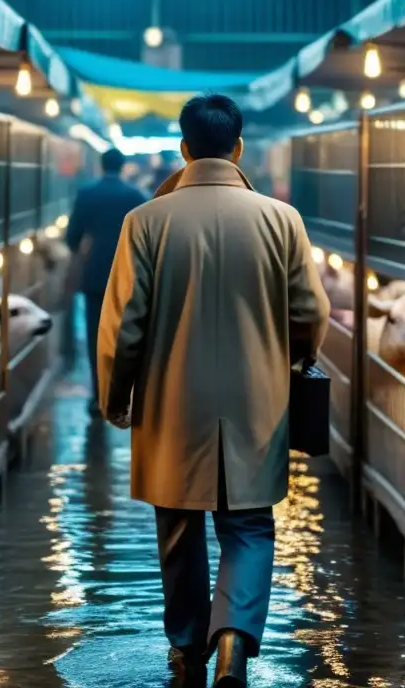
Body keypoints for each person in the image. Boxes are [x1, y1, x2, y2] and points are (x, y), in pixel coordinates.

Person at [96, 95, 330, 687]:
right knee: (249, 526)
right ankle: (232, 639)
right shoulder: (282, 220)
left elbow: (125, 323)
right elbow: (309, 311)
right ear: (240, 148)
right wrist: (294, 357)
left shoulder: (145, 222)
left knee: (178, 527)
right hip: (259, 401)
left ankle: (185, 651)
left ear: (183, 148)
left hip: (171, 402)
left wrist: (115, 395)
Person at [65, 147, 148, 418]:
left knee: (95, 336)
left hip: (96, 274)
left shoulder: (87, 194)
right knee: (127, 334)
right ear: (123, 166)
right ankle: (124, 394)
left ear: (101, 165)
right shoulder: (135, 196)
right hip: (129, 274)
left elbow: (72, 237)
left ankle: (98, 396)